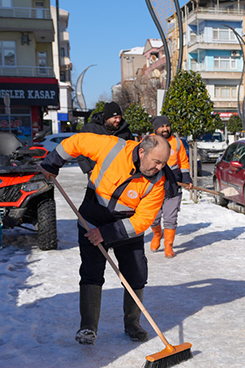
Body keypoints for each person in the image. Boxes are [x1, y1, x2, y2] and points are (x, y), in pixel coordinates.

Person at [40, 133, 170, 345]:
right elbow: (75, 143)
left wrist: (108, 233)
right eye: (156, 162)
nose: (159, 168)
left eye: (163, 163)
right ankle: (88, 327)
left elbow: (143, 220)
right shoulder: (112, 147)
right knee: (91, 272)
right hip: (91, 218)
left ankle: (133, 323)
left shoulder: (157, 182)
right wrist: (52, 162)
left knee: (136, 274)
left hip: (125, 228)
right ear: (142, 151)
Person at [148, 116, 193, 258]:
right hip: (153, 186)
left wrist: (186, 178)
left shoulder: (177, 143)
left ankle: (168, 246)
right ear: (155, 128)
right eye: (162, 126)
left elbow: (184, 162)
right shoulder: (148, 142)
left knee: (170, 218)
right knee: (154, 218)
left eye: (167, 126)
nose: (165, 129)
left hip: (173, 185)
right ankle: (157, 235)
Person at [78, 102, 133, 174]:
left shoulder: (125, 130)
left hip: (119, 173)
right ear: (107, 117)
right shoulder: (90, 129)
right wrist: (87, 168)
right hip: (97, 173)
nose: (118, 120)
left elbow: (131, 150)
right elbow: (79, 149)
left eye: (119, 117)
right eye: (115, 118)